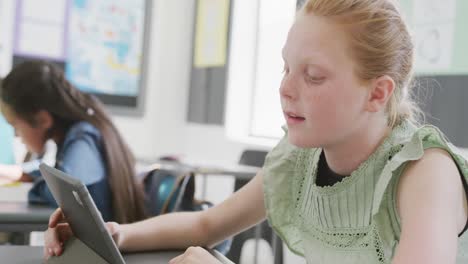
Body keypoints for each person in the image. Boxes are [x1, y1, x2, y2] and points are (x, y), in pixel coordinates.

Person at [44, 0, 468, 263]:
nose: (285, 88)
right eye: (286, 67)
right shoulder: (301, 157)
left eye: (313, 76)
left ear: (377, 94)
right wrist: (118, 233)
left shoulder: (426, 174)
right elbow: (208, 225)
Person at [0, 60, 146, 224]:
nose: (16, 135)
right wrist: (19, 173)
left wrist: (37, 186)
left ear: (42, 119)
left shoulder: (84, 138)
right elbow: (55, 173)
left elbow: (64, 193)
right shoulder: (78, 130)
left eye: (15, 125)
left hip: (100, 247)